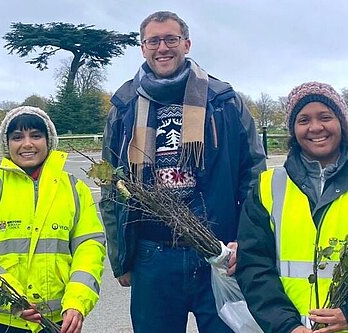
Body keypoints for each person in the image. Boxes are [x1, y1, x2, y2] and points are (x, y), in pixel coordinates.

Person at [100, 10, 266, 333]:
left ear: (186, 44)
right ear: (142, 47)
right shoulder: (124, 106)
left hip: (217, 256)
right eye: (153, 41)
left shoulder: (224, 100)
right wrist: (121, 257)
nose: (162, 47)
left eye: (171, 39)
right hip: (153, 259)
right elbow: (110, 186)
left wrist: (245, 243)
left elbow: (253, 177)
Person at [0, 106, 106, 333]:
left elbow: (90, 247)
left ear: (49, 140)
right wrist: (11, 295)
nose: (27, 144)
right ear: (7, 144)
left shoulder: (75, 189)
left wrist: (77, 301)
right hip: (0, 321)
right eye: (17, 137)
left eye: (36, 135)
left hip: (57, 321)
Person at [236, 82, 348, 333]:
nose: (316, 127)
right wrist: (286, 326)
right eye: (304, 119)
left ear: (341, 122)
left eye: (325, 117)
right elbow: (253, 266)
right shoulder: (268, 188)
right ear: (293, 130)